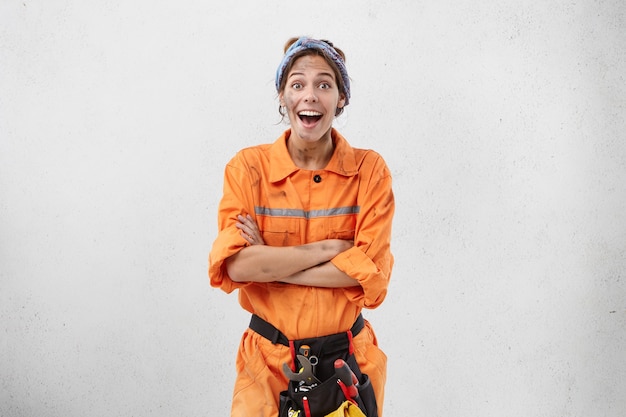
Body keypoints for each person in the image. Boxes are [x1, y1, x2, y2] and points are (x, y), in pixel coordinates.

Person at [209, 36, 394, 417]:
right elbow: (236, 267)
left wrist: (272, 266)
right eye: (298, 84)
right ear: (282, 96)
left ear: (341, 98)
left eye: (324, 84)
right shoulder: (247, 168)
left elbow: (371, 275)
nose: (310, 95)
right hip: (267, 367)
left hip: (347, 367)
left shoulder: (369, 171)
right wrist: (329, 250)